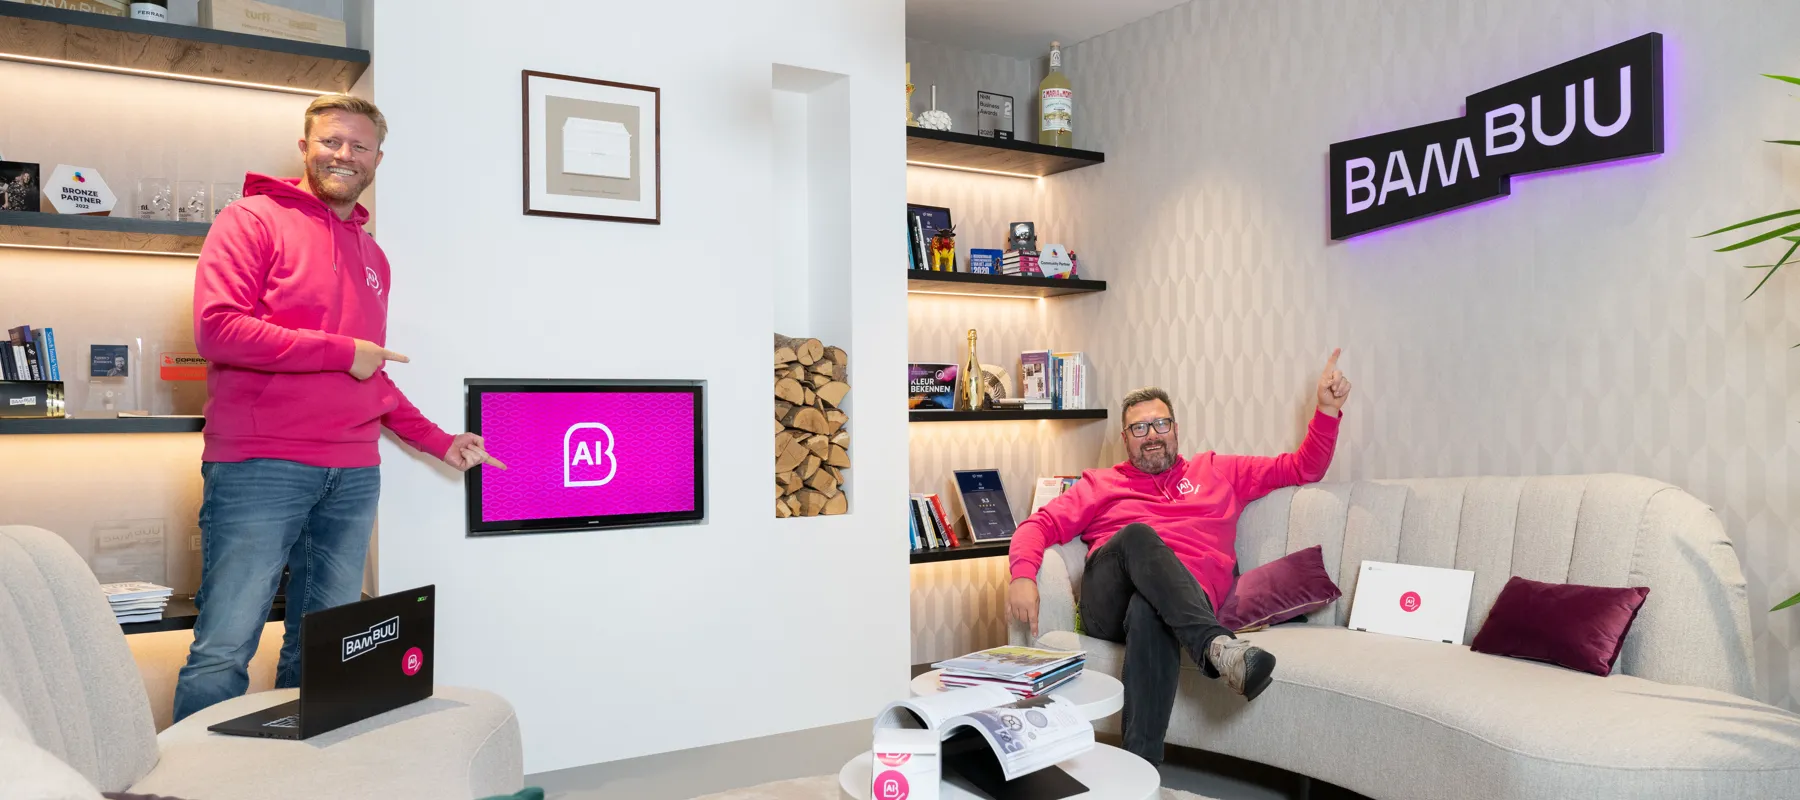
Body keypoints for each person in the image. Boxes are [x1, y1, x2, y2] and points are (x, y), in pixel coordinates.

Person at [174, 95, 505, 724]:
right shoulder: (251, 219)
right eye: (330, 141)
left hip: (353, 474)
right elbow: (219, 330)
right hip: (260, 465)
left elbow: (369, 372)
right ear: (305, 147)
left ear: (378, 158)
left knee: (324, 648)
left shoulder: (373, 256)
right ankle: (194, 775)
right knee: (224, 646)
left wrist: (439, 440)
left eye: (359, 146)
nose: (344, 155)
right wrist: (341, 351)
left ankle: (303, 771)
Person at [1007, 350, 1351, 764]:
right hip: (1107, 601)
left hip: (1179, 604)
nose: (1151, 434)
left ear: (1176, 429)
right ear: (1125, 439)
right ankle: (1217, 646)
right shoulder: (1101, 484)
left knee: (1149, 609)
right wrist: (1022, 576)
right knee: (1138, 535)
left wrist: (1326, 411)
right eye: (1139, 428)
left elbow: (1302, 468)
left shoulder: (1217, 471)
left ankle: (1140, 771)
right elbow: (1038, 525)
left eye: (1161, 423)